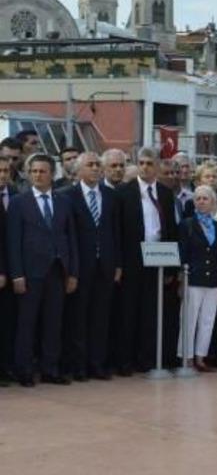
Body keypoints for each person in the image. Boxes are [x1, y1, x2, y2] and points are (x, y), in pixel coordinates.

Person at [6, 153, 79, 386]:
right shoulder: (19, 202)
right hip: (29, 273)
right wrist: (16, 274)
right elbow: (13, 241)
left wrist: (73, 272)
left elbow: (72, 239)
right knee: (27, 324)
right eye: (34, 171)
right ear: (28, 174)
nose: (38, 175)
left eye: (42, 171)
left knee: (53, 323)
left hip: (57, 271)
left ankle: (50, 369)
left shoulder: (64, 201)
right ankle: (24, 370)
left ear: (52, 174)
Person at [116, 148, 179, 375]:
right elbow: (118, 231)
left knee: (151, 312)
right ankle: (125, 360)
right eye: (141, 163)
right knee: (128, 312)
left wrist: (173, 266)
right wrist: (119, 264)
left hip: (159, 258)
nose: (144, 167)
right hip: (132, 258)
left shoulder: (164, 192)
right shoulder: (124, 192)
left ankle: (147, 358)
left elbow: (170, 228)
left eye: (149, 163)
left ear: (157, 166)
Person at [58, 152, 121, 381]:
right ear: (79, 169)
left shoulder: (111, 196)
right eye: (90, 165)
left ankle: (97, 363)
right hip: (80, 267)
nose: (95, 168)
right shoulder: (66, 196)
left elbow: (116, 232)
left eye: (97, 165)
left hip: (105, 265)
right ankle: (78, 365)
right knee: (77, 318)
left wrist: (118, 264)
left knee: (100, 318)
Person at [178, 185, 217, 372]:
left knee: (208, 320)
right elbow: (183, 254)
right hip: (193, 278)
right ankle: (187, 357)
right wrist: (182, 280)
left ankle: (200, 357)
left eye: (205, 198)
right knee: (189, 319)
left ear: (213, 202)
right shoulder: (187, 224)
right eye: (198, 198)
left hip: (213, 279)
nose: (201, 202)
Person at [0, 154, 17, 385]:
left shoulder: (16, 196)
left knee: (7, 323)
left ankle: (5, 369)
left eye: (6, 171)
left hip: (14, 272)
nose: (3, 175)